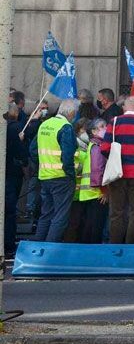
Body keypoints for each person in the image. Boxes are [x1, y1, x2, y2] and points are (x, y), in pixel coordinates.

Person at [101, 96, 134, 244]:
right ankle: (131, 244)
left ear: (124, 107)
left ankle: (115, 244)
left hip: (117, 172)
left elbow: (104, 147)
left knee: (116, 212)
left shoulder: (114, 122)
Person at [30, 98, 78, 242]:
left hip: (45, 176)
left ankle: (38, 247)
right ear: (72, 113)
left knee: (46, 214)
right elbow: (68, 155)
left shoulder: (45, 124)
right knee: (60, 217)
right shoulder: (65, 127)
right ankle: (50, 248)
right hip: (61, 177)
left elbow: (33, 150)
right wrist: (70, 174)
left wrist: (43, 164)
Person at [69, 118, 108, 243]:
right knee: (95, 228)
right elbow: (97, 169)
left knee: (88, 226)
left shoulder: (92, 145)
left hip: (88, 192)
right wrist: (103, 190)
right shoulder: (97, 146)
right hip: (96, 192)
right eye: (102, 126)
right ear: (94, 131)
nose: (105, 128)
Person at [4, 104, 27, 254]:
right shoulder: (16, 128)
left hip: (9, 172)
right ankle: (8, 244)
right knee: (9, 210)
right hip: (12, 173)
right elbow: (21, 153)